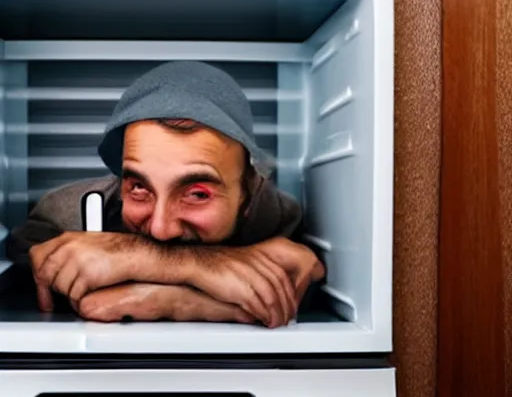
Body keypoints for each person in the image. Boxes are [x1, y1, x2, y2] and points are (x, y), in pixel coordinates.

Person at [7, 61, 325, 328]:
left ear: (248, 192)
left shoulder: (277, 217)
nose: (160, 228)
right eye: (140, 188)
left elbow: (294, 293)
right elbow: (76, 304)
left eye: (197, 194)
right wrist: (195, 282)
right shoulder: (61, 214)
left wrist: (157, 277)